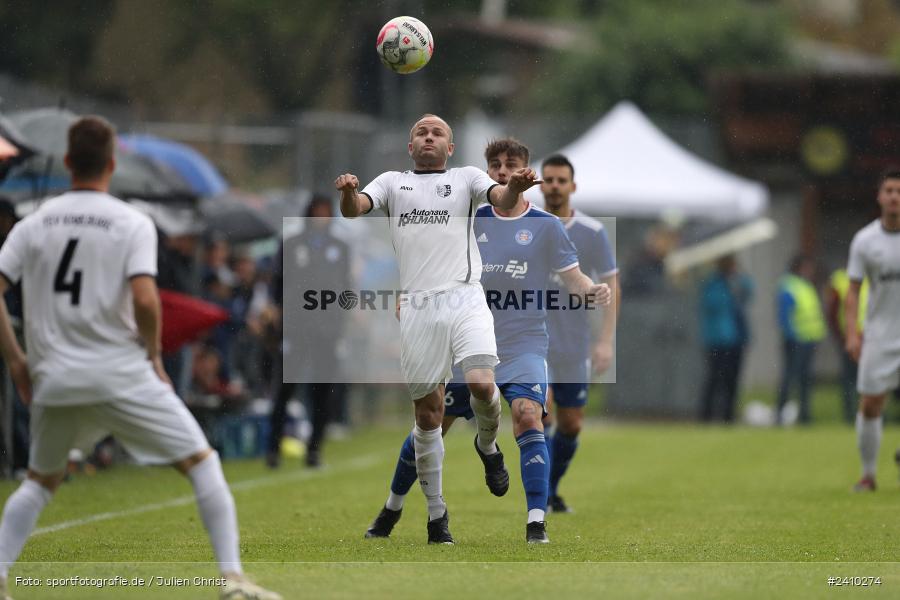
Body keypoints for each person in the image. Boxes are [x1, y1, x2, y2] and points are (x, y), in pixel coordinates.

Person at [0, 116, 279, 600]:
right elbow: (147, 300)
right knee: (202, 464)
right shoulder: (130, 222)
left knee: (39, 483)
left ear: (68, 162)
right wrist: (153, 355)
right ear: (112, 165)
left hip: (55, 378)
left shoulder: (33, 223)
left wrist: (17, 362)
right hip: (120, 373)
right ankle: (232, 580)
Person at [363, 139, 611, 544]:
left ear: (526, 171)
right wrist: (409, 296)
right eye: (495, 165)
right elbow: (424, 261)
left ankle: (536, 523)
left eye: (511, 164)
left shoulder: (546, 226)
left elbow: (574, 278)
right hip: (466, 342)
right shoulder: (465, 216)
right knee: (430, 422)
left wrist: (591, 290)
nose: (502, 171)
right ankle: (392, 507)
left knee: (529, 415)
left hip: (524, 343)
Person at [336, 114, 542, 544]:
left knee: (482, 384)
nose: (428, 136)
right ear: (410, 146)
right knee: (428, 417)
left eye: (438, 133)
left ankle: (488, 447)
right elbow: (354, 210)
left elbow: (502, 198)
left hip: (464, 296)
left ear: (450, 147)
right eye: (421, 132)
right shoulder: (391, 182)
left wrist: (517, 187)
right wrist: (349, 192)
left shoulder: (466, 178)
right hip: (417, 305)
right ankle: (436, 516)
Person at [539, 154, 619, 514]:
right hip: (533, 340)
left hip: (574, 342)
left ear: (573, 186)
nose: (555, 186)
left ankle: (550, 490)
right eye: (549, 179)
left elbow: (611, 285)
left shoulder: (592, 232)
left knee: (571, 423)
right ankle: (539, 497)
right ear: (540, 184)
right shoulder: (527, 225)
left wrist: (605, 341)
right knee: (541, 414)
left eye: (561, 180)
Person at [268, 195, 350, 469]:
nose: (321, 217)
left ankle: (314, 449)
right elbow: (277, 282)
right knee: (284, 387)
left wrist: (344, 318)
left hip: (327, 329)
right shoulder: (291, 244)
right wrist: (278, 310)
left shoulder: (340, 247)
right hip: (296, 327)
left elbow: (345, 286)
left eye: (325, 212)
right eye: (317, 212)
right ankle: (272, 448)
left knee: (322, 391)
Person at [845, 168, 900, 492]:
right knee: (870, 405)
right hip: (880, 335)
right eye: (889, 190)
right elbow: (852, 291)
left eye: (899, 191)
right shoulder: (865, 241)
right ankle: (868, 475)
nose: (894, 197)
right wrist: (852, 333)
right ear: (880, 197)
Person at [698, 255, 754, 423]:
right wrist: (729, 291)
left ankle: (728, 415)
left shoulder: (737, 282)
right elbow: (713, 304)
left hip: (736, 339)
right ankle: (706, 415)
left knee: (732, 379)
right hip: (718, 340)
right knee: (715, 379)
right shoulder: (713, 284)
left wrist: (740, 277)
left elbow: (750, 291)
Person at [775, 255, 826, 425]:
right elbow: (784, 316)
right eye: (807, 267)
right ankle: (780, 414)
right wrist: (791, 336)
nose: (810, 271)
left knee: (805, 378)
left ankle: (805, 414)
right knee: (790, 378)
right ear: (798, 268)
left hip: (809, 339)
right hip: (796, 340)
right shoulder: (790, 286)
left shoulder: (805, 285)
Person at [825, 267, 869, 424]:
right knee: (849, 378)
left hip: (870, 339)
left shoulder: (872, 277)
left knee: (869, 378)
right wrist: (841, 336)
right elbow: (832, 310)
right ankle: (850, 414)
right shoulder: (840, 279)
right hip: (850, 338)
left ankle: (870, 413)